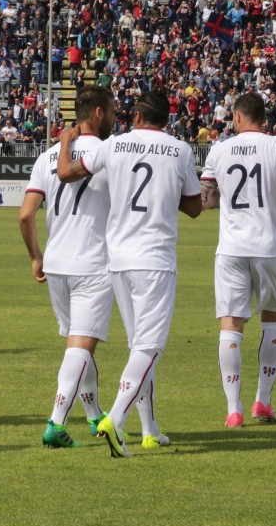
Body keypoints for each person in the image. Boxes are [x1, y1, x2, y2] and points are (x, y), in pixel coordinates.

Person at [57, 90, 203, 457]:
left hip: (118, 258)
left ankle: (150, 429)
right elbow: (195, 207)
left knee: (139, 345)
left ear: (136, 117)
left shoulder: (114, 146)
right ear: (166, 120)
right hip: (154, 258)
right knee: (149, 347)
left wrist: (64, 143)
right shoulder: (180, 150)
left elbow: (65, 173)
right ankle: (117, 419)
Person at [199, 93, 276, 427]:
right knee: (272, 322)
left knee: (231, 325)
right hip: (269, 247)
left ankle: (233, 409)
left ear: (236, 117)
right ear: (265, 118)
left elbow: (205, 200)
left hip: (231, 249)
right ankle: (262, 402)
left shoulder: (218, 150)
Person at [19, 85, 116, 449]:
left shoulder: (47, 156)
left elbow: (26, 215)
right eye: (113, 110)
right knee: (79, 346)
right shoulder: (110, 152)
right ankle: (56, 423)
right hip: (94, 261)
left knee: (80, 344)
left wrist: (35, 256)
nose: (116, 116)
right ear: (98, 113)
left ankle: (93, 415)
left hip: (57, 263)